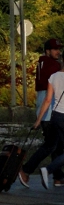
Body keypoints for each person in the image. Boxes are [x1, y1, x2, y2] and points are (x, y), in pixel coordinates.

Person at [19, 39, 64, 187]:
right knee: (51, 145)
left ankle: (58, 177)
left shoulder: (41, 63)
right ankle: (26, 170)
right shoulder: (54, 66)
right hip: (51, 112)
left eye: (59, 49)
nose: (58, 52)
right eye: (55, 49)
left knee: (56, 146)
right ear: (47, 50)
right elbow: (50, 96)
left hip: (44, 111)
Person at [33, 66, 64, 189]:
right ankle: (48, 169)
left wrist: (38, 119)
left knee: (58, 148)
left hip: (55, 116)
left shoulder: (53, 76)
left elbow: (47, 100)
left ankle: (56, 175)